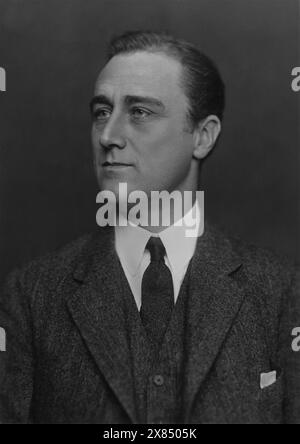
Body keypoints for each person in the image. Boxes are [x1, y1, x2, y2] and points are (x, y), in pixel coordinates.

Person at [0, 31, 299, 424]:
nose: (107, 136)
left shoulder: (282, 292)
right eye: (101, 112)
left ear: (203, 136)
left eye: (140, 112)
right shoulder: (31, 295)